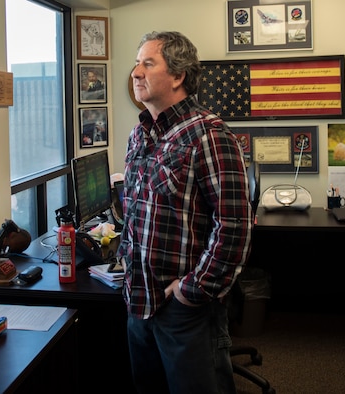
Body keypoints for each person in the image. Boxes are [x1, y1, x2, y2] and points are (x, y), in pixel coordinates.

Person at [116, 31, 253, 394]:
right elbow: (135, 212)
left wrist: (193, 291)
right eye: (136, 62)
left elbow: (235, 226)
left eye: (148, 63)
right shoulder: (140, 134)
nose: (136, 72)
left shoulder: (208, 135)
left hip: (183, 311)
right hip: (139, 303)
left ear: (177, 76)